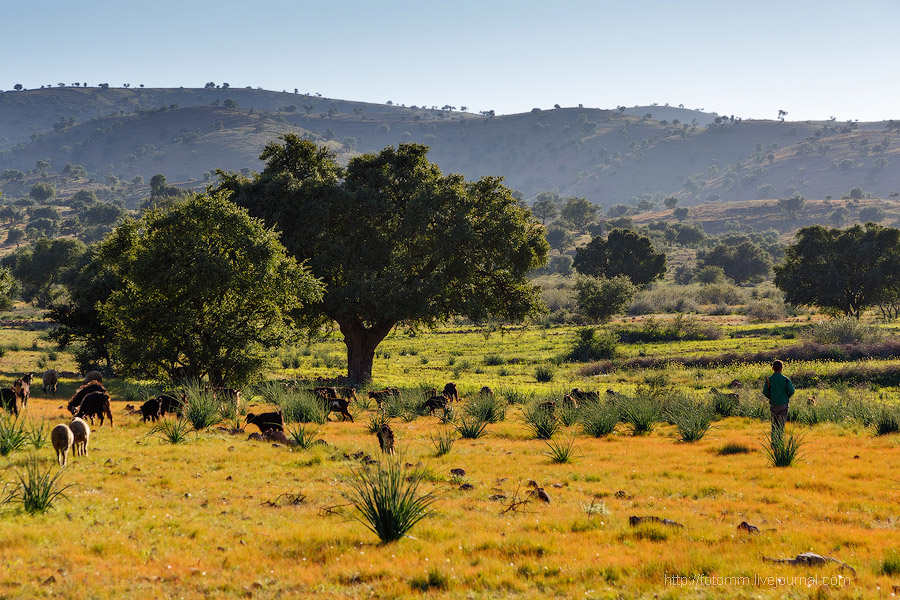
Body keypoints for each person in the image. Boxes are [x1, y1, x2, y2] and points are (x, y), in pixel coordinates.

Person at [763, 359, 794, 437]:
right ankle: (780, 443)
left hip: (773, 405)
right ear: (782, 368)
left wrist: (771, 397)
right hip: (784, 405)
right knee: (781, 426)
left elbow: (765, 392)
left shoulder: (769, 380)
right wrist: (786, 397)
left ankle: (774, 443)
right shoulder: (786, 379)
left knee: (774, 426)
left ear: (772, 368)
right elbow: (791, 391)